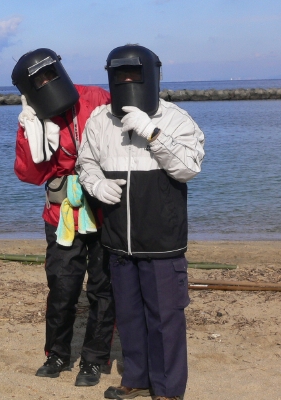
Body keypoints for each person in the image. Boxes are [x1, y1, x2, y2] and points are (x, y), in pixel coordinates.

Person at [77, 44, 205, 400]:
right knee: (130, 316)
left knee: (165, 319)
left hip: (162, 240)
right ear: (111, 77)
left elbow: (189, 168)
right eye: (121, 75)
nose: (128, 81)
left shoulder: (177, 119)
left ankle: (167, 390)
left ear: (153, 76)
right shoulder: (100, 120)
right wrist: (96, 183)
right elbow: (85, 163)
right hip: (118, 239)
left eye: (135, 74)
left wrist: (153, 134)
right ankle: (136, 377)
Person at [12, 48, 115, 387]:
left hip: (105, 209)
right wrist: (30, 131)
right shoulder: (35, 116)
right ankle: (56, 354)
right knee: (62, 286)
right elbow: (30, 174)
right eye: (37, 81)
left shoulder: (96, 97)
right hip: (61, 214)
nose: (46, 82)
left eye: (49, 74)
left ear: (59, 71)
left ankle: (94, 360)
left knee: (103, 288)